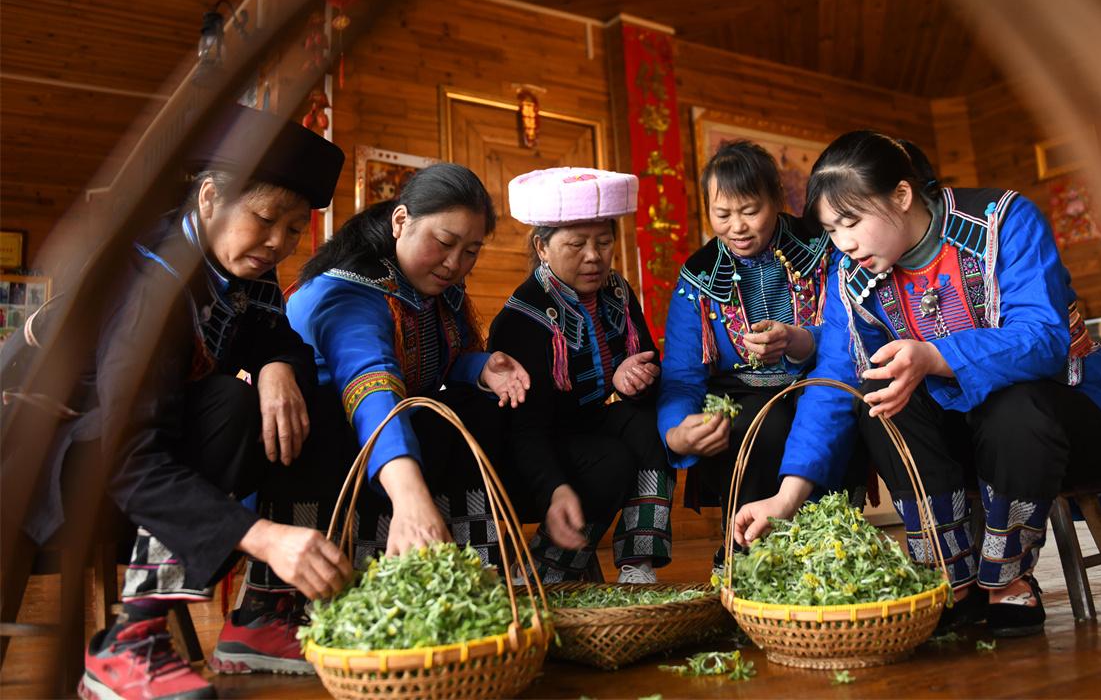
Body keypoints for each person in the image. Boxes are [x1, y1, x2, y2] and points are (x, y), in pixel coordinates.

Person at [734, 130, 1101, 637]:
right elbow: (834, 384)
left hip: (1066, 420)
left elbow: (1044, 340)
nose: (842, 242)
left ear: (903, 195)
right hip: (967, 439)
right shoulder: (852, 276)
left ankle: (1007, 580)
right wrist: (786, 497)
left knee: (1015, 404)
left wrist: (934, 355)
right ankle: (948, 578)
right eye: (831, 229)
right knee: (876, 394)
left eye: (852, 221)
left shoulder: (1004, 222)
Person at [1, 103, 350, 700]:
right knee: (226, 408)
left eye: (295, 229)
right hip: (36, 466)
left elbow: (283, 342)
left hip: (115, 455)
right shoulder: (149, 288)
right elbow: (132, 462)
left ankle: (251, 615)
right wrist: (260, 535)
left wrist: (274, 368)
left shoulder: (244, 275)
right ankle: (130, 643)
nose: (279, 243)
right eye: (266, 218)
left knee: (282, 402)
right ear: (210, 197)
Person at [271, 163, 530, 589]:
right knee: (328, 415)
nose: (454, 263)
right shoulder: (349, 289)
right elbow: (372, 384)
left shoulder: (434, 288)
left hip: (386, 431)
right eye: (445, 242)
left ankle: (475, 569)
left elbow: (432, 367)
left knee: (478, 407)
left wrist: (480, 367)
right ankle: (309, 585)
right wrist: (410, 497)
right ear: (400, 221)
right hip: (323, 446)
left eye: (471, 250)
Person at [657, 139, 835, 572]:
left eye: (750, 210)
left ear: (776, 200)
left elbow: (852, 332)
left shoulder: (822, 247)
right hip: (739, 393)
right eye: (722, 214)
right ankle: (746, 552)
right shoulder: (698, 277)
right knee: (759, 424)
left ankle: (827, 546)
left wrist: (798, 340)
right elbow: (682, 377)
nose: (736, 226)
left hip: (818, 377)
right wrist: (677, 431)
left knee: (823, 413)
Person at [488, 167, 669, 584]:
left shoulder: (617, 290)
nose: (594, 256)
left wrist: (633, 378)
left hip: (591, 427)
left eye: (604, 243)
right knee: (612, 462)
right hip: (535, 445)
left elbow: (650, 363)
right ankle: (538, 571)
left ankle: (637, 564)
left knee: (648, 422)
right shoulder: (522, 316)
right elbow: (525, 429)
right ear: (543, 247)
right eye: (577, 245)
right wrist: (553, 487)